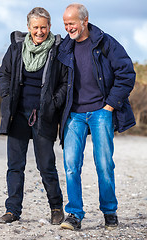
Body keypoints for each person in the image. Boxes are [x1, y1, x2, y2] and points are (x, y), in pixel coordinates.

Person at [57, 3, 136, 230]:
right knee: (71, 165)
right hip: (74, 114)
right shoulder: (64, 46)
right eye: (65, 24)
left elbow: (127, 73)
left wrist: (111, 105)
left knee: (104, 165)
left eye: (71, 23)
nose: (68, 28)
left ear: (84, 20)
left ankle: (110, 212)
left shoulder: (106, 42)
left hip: (101, 112)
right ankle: (74, 215)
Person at [0, 7, 67, 224]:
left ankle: (56, 207)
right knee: (15, 165)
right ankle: (12, 210)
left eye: (43, 27)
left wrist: (54, 103)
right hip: (17, 114)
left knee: (46, 165)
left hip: (44, 116)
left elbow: (65, 81)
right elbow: (3, 74)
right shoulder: (16, 48)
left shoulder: (58, 50)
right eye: (35, 27)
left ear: (49, 27)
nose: (40, 31)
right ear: (28, 28)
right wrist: (7, 94)